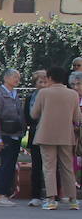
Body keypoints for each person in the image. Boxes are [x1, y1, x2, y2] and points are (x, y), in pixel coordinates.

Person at [29, 66, 82, 210]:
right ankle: (73, 199)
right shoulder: (73, 94)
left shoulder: (43, 93)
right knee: (67, 167)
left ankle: (51, 199)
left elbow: (34, 114)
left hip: (46, 134)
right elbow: (77, 117)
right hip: (66, 134)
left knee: (49, 167)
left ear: (50, 78)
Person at [0, 68, 26, 206]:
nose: (17, 80)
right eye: (14, 77)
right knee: (5, 165)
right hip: (5, 135)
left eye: (18, 77)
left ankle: (4, 193)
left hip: (16, 134)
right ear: (5, 78)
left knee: (10, 165)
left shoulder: (15, 94)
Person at [23, 69, 47, 207]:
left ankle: (52, 195)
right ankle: (35, 195)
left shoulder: (51, 97)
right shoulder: (30, 98)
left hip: (49, 133)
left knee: (51, 166)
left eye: (45, 81)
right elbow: (27, 117)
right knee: (36, 165)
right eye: (40, 82)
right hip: (35, 133)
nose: (43, 84)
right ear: (35, 83)